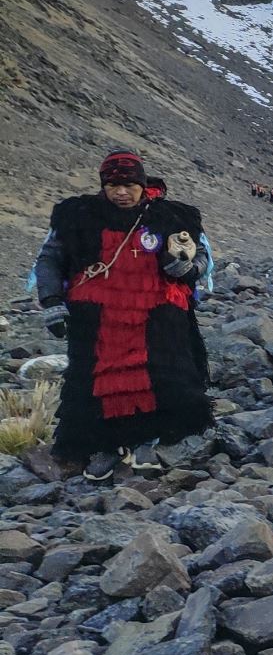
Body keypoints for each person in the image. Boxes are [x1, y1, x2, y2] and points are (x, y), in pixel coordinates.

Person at [33, 150, 212, 478]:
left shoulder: (170, 216)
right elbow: (50, 258)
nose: (122, 192)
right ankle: (106, 444)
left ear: (143, 185)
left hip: (158, 311)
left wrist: (185, 267)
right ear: (103, 185)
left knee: (160, 373)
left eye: (129, 184)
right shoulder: (78, 215)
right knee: (101, 379)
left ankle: (152, 437)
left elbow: (199, 255)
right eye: (113, 184)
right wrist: (52, 301)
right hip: (97, 315)